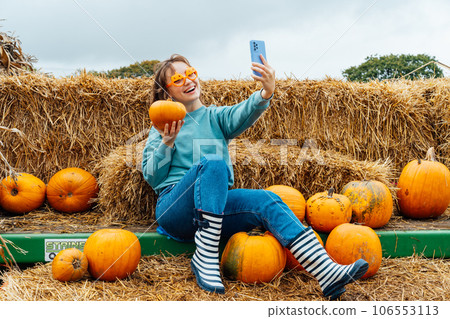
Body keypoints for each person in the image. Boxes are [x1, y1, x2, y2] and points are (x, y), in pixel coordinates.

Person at [141, 53, 368, 300]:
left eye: (190, 73)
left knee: (267, 200)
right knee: (214, 163)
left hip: (214, 210)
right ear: (168, 93)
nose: (187, 80)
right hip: (175, 209)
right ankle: (205, 256)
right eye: (177, 79)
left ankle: (327, 272)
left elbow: (243, 112)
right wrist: (166, 143)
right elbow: (153, 176)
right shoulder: (162, 126)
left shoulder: (215, 118)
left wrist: (265, 93)